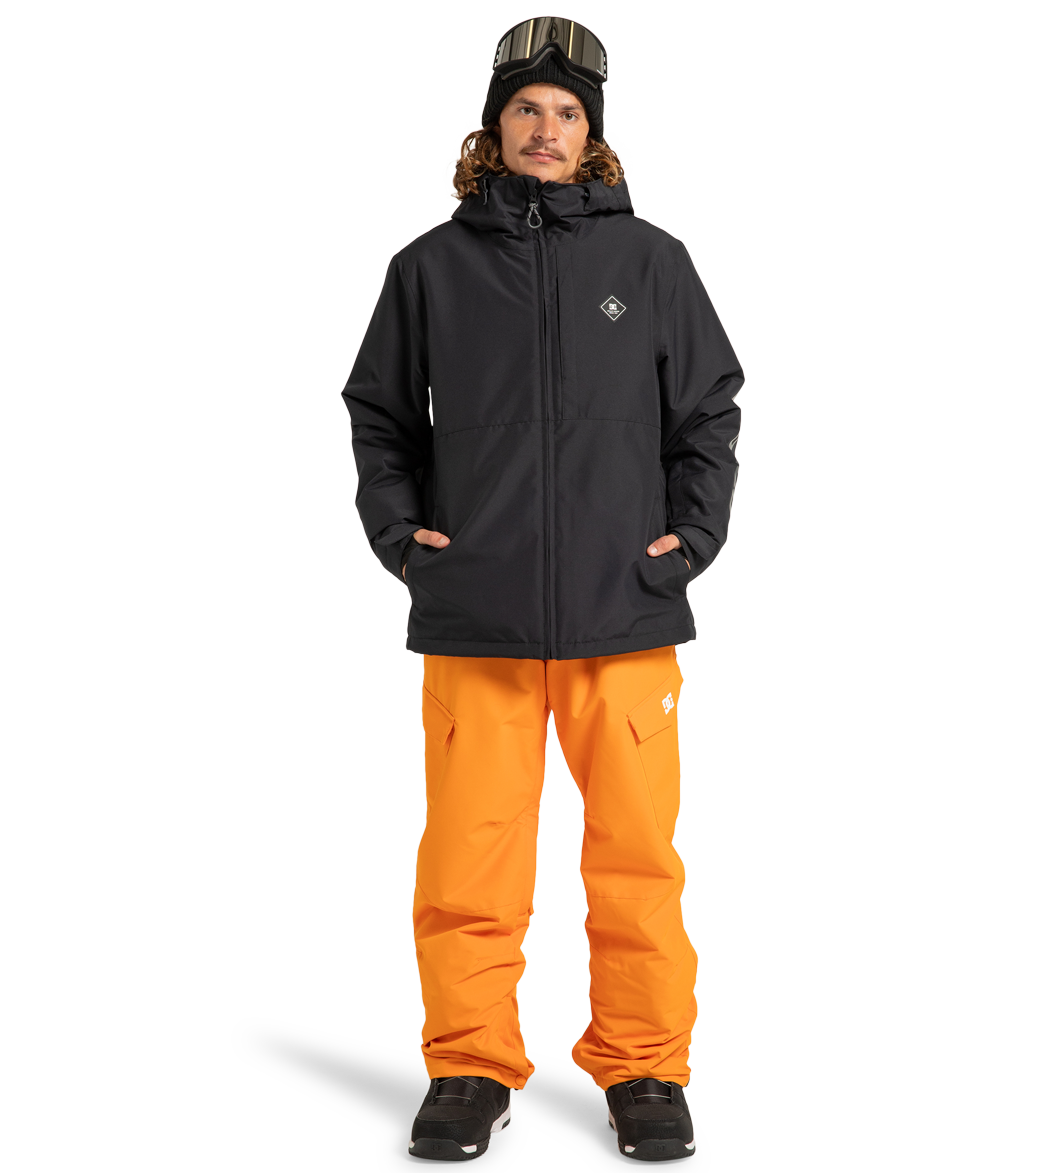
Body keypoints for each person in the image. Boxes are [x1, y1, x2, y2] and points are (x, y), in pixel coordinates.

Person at [341, 16, 743, 1164]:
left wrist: (689, 541)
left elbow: (707, 411)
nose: (546, 127)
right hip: (480, 614)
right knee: (468, 858)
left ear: (592, 133)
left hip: (625, 609)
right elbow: (379, 414)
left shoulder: (650, 262)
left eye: (568, 112)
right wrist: (403, 541)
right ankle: (469, 1064)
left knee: (636, 859)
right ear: (494, 123)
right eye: (526, 107)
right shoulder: (429, 268)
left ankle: (645, 1068)